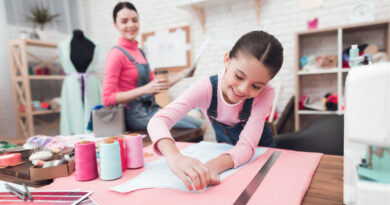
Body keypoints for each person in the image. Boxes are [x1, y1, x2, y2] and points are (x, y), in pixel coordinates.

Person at [147, 30, 284, 192]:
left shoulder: (267, 93)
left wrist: (211, 166)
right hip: (228, 156)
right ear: (227, 60)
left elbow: (247, 147)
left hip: (260, 153)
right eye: (239, 76)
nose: (242, 89)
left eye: (256, 86)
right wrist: (174, 156)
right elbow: (158, 120)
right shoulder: (206, 88)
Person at [103, 2, 203, 131]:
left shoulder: (140, 52)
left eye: (134, 20)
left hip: (151, 109)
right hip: (134, 116)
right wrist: (144, 89)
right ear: (115, 25)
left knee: (199, 124)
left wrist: (182, 75)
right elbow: (107, 98)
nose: (131, 25)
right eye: (124, 21)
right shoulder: (115, 55)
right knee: (195, 127)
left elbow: (155, 86)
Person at [59, 29, 102, 135]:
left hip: (91, 83)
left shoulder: (94, 45)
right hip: (72, 85)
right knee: (72, 115)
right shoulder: (63, 45)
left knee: (93, 113)